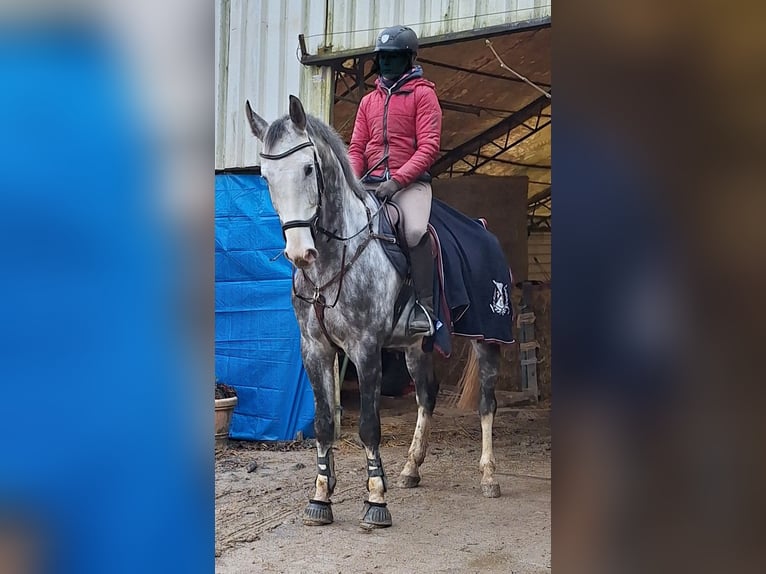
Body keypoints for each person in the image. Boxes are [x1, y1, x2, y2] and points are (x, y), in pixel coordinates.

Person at [348, 25, 442, 337]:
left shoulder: (424, 95)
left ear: (409, 58)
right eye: (382, 57)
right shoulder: (367, 102)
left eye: (393, 57)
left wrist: (399, 180)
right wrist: (353, 180)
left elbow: (429, 147)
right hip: (370, 183)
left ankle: (424, 307)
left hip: (410, 184)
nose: (386, 63)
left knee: (414, 232)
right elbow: (357, 148)